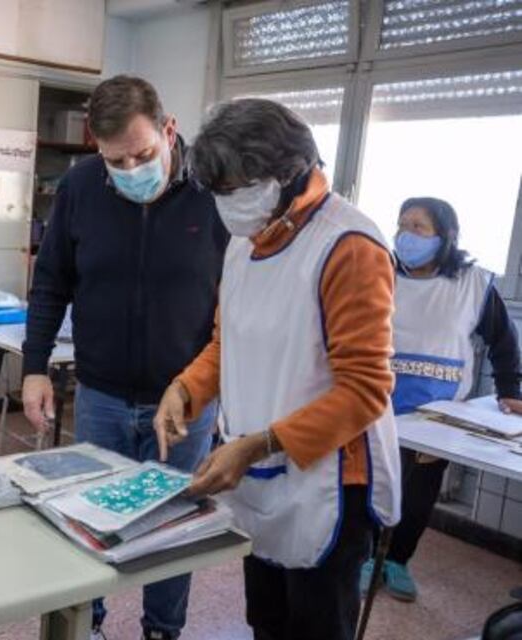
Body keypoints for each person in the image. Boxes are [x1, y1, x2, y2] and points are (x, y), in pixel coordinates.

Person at [154, 98, 402, 640]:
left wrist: (259, 444)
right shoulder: (247, 241)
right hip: (262, 471)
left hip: (330, 480)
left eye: (239, 188)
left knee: (314, 626)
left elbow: (366, 390)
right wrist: (185, 389)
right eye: (219, 192)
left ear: (290, 173)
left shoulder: (348, 245)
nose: (229, 205)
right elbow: (229, 342)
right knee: (267, 620)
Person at [22, 75, 228, 640]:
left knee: (173, 530)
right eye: (116, 159)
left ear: (169, 129)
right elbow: (50, 283)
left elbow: (237, 306)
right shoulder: (83, 186)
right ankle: (86, 625)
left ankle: (163, 630)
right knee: (89, 522)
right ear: (96, 148)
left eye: (142, 153)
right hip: (101, 396)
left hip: (186, 399)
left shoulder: (214, 193)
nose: (131, 169)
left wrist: (202, 385)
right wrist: (35, 366)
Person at [360, 197, 522, 602]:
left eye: (419, 227)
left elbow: (503, 339)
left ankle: (397, 561)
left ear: (444, 236)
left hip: (438, 414)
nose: (406, 235)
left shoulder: (473, 283)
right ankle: (366, 559)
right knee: (369, 486)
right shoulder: (379, 271)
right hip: (377, 405)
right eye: (402, 224)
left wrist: (510, 391)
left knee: (417, 496)